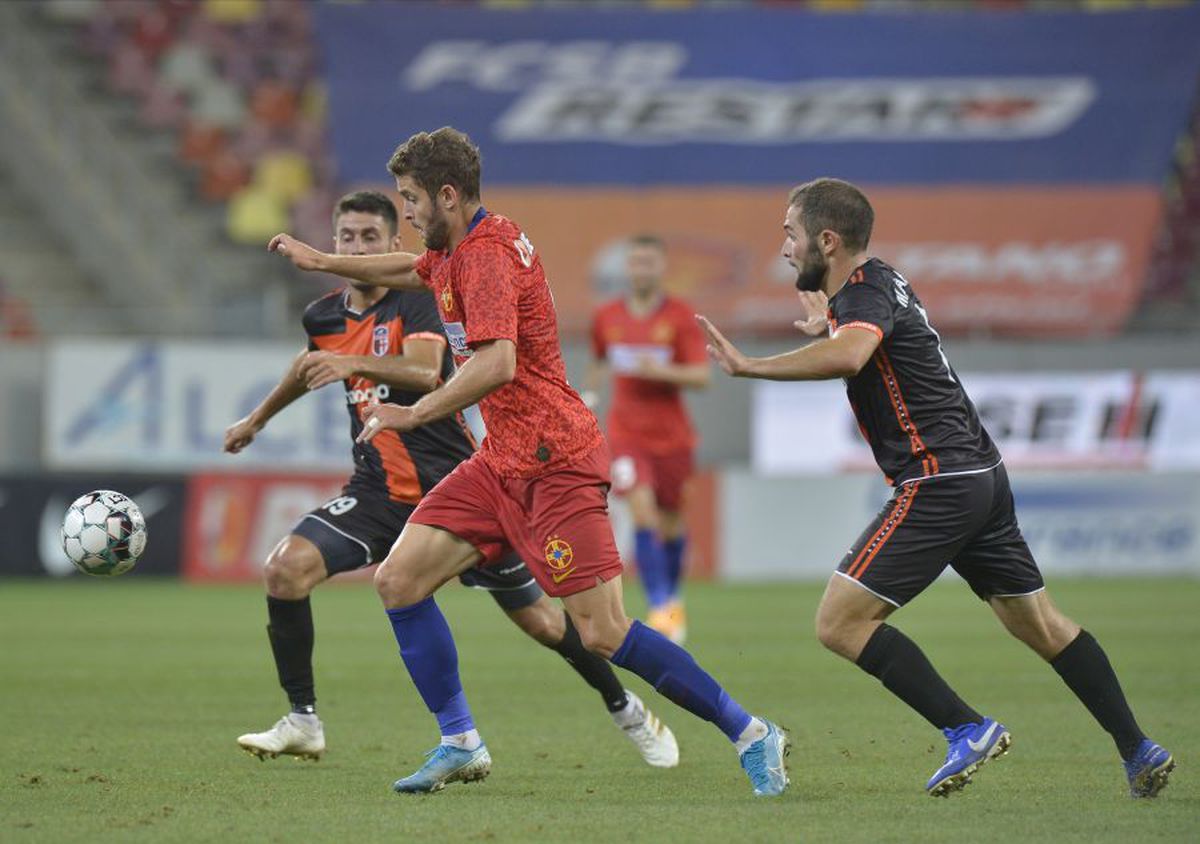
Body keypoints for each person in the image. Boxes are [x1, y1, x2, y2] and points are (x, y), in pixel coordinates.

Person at [268, 128, 789, 797]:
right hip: (501, 461)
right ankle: (459, 742)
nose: (407, 214)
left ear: (447, 195)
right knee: (399, 580)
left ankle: (751, 732)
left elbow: (497, 363)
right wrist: (322, 260)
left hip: (555, 461)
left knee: (601, 632)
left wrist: (414, 412)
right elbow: (408, 269)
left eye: (411, 199)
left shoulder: (485, 258)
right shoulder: (456, 248)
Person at [698, 177, 1174, 799]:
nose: (785, 247)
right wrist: (831, 325)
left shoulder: (863, 293)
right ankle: (1139, 749)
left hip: (939, 478)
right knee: (1040, 624)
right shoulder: (878, 283)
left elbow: (851, 356)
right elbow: (859, 341)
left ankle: (966, 728)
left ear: (827, 240)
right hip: (980, 475)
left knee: (839, 623)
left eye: (791, 233)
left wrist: (750, 365)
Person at [227, 190, 679, 770]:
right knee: (285, 569)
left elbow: (423, 371)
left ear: (392, 243)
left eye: (370, 237)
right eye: (347, 237)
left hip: (456, 489)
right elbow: (306, 366)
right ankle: (303, 720)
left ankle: (625, 707)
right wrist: (256, 419)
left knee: (544, 622)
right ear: (334, 242)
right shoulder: (324, 316)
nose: (357, 248)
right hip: (376, 493)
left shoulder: (419, 300)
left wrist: (352, 362)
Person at [585, 235, 709, 643]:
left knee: (670, 524)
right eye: (636, 262)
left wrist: (660, 372)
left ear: (661, 267)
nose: (642, 269)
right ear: (628, 267)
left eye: (649, 262)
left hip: (673, 437)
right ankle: (660, 606)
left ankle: (671, 596)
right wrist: (588, 398)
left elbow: (701, 377)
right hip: (626, 434)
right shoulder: (607, 316)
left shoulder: (680, 316)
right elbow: (599, 360)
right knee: (642, 513)